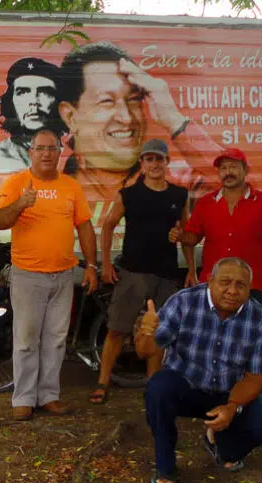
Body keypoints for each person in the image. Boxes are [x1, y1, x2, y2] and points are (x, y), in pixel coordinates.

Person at [138, 257, 262, 483]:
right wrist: (147, 332)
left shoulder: (260, 320)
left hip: (227, 393)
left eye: (241, 285)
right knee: (158, 389)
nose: (232, 291)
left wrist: (232, 406)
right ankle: (165, 466)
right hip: (186, 386)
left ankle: (220, 444)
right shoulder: (183, 302)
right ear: (210, 281)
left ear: (249, 289)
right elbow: (145, 351)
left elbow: (255, 378)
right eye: (225, 282)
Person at [0, 128, 98, 421]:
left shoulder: (70, 186)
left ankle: (49, 396)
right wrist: (21, 203)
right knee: (26, 340)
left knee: (55, 339)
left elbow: (85, 226)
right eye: (40, 148)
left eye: (52, 148)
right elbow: (0, 221)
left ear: (60, 153)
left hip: (63, 275)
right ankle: (24, 398)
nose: (46, 154)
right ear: (31, 152)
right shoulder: (16, 183)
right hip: (28, 275)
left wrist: (91, 266)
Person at [88, 139, 195, 405]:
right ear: (142, 164)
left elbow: (186, 234)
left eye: (159, 159)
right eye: (149, 159)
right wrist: (106, 264)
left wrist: (191, 269)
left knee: (158, 333)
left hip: (166, 273)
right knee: (117, 329)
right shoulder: (129, 194)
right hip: (132, 273)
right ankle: (102, 383)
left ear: (167, 162)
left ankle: (153, 387)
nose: (155, 164)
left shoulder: (179, 195)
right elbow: (108, 225)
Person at [57, 41, 222, 205]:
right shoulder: (53, 185)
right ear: (70, 116)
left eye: (134, 99)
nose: (127, 118)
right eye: (107, 101)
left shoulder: (178, 181)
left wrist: (174, 121)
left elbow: (233, 187)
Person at [171, 147, 262, 305]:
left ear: (245, 170)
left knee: (249, 323)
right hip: (213, 285)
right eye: (223, 168)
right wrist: (181, 237)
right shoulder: (205, 203)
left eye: (233, 167)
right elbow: (192, 239)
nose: (228, 172)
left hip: (250, 286)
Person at [0, 57, 66, 174]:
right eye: (23, 92)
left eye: (45, 92)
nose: (33, 101)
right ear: (10, 102)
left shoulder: (71, 157)